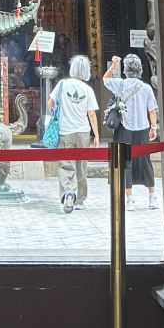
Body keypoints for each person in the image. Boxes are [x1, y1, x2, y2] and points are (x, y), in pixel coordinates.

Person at [45, 54, 100, 213]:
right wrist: (96, 135)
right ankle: (80, 200)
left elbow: (50, 104)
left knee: (66, 164)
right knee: (81, 166)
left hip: (65, 132)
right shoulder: (88, 90)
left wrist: (60, 112)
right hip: (83, 132)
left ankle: (69, 192)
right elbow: (91, 115)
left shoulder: (62, 84)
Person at [103, 53, 159, 209]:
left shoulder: (121, 85)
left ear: (125, 70)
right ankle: (152, 197)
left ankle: (129, 200)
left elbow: (105, 80)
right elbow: (152, 111)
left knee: (125, 162)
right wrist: (153, 127)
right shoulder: (146, 88)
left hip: (124, 128)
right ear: (140, 70)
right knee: (145, 161)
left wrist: (113, 66)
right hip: (142, 128)